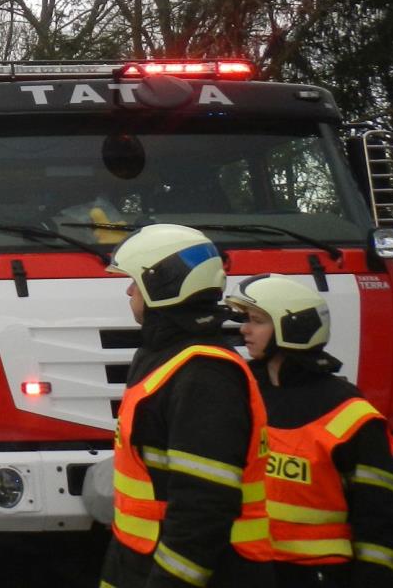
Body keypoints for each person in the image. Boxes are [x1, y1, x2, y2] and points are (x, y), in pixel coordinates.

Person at [100, 223, 273, 588]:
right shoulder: (168, 359)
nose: (129, 290)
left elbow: (202, 508)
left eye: (135, 281)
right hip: (140, 563)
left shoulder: (205, 375)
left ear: (161, 285)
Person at [225, 275, 393, 587]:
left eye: (256, 321)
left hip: (318, 575)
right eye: (246, 320)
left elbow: (380, 518)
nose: (244, 330)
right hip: (248, 567)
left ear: (291, 328)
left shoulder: (350, 413)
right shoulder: (240, 393)